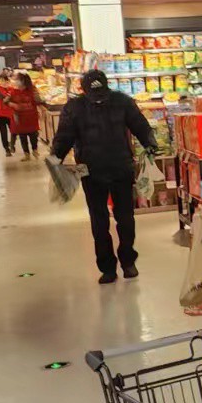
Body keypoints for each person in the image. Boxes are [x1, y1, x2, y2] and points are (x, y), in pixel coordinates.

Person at [50, 69, 159, 283]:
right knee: (120, 217)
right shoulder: (121, 101)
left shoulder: (76, 107)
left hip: (96, 169)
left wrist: (55, 159)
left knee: (103, 219)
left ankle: (112, 267)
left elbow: (64, 137)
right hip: (115, 167)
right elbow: (140, 125)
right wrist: (150, 145)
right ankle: (124, 264)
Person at [7, 72, 41, 159]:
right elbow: (6, 101)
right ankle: (26, 154)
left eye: (17, 80)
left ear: (22, 81)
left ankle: (35, 150)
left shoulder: (32, 90)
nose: (15, 81)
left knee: (33, 134)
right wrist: (12, 104)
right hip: (20, 117)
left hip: (31, 116)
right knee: (22, 136)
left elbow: (38, 100)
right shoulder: (13, 91)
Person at [0, 73, 16, 157]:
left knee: (14, 131)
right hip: (0, 113)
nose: (4, 82)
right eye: (2, 80)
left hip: (11, 113)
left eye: (5, 80)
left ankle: (12, 144)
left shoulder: (11, 89)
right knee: (3, 132)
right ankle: (6, 149)